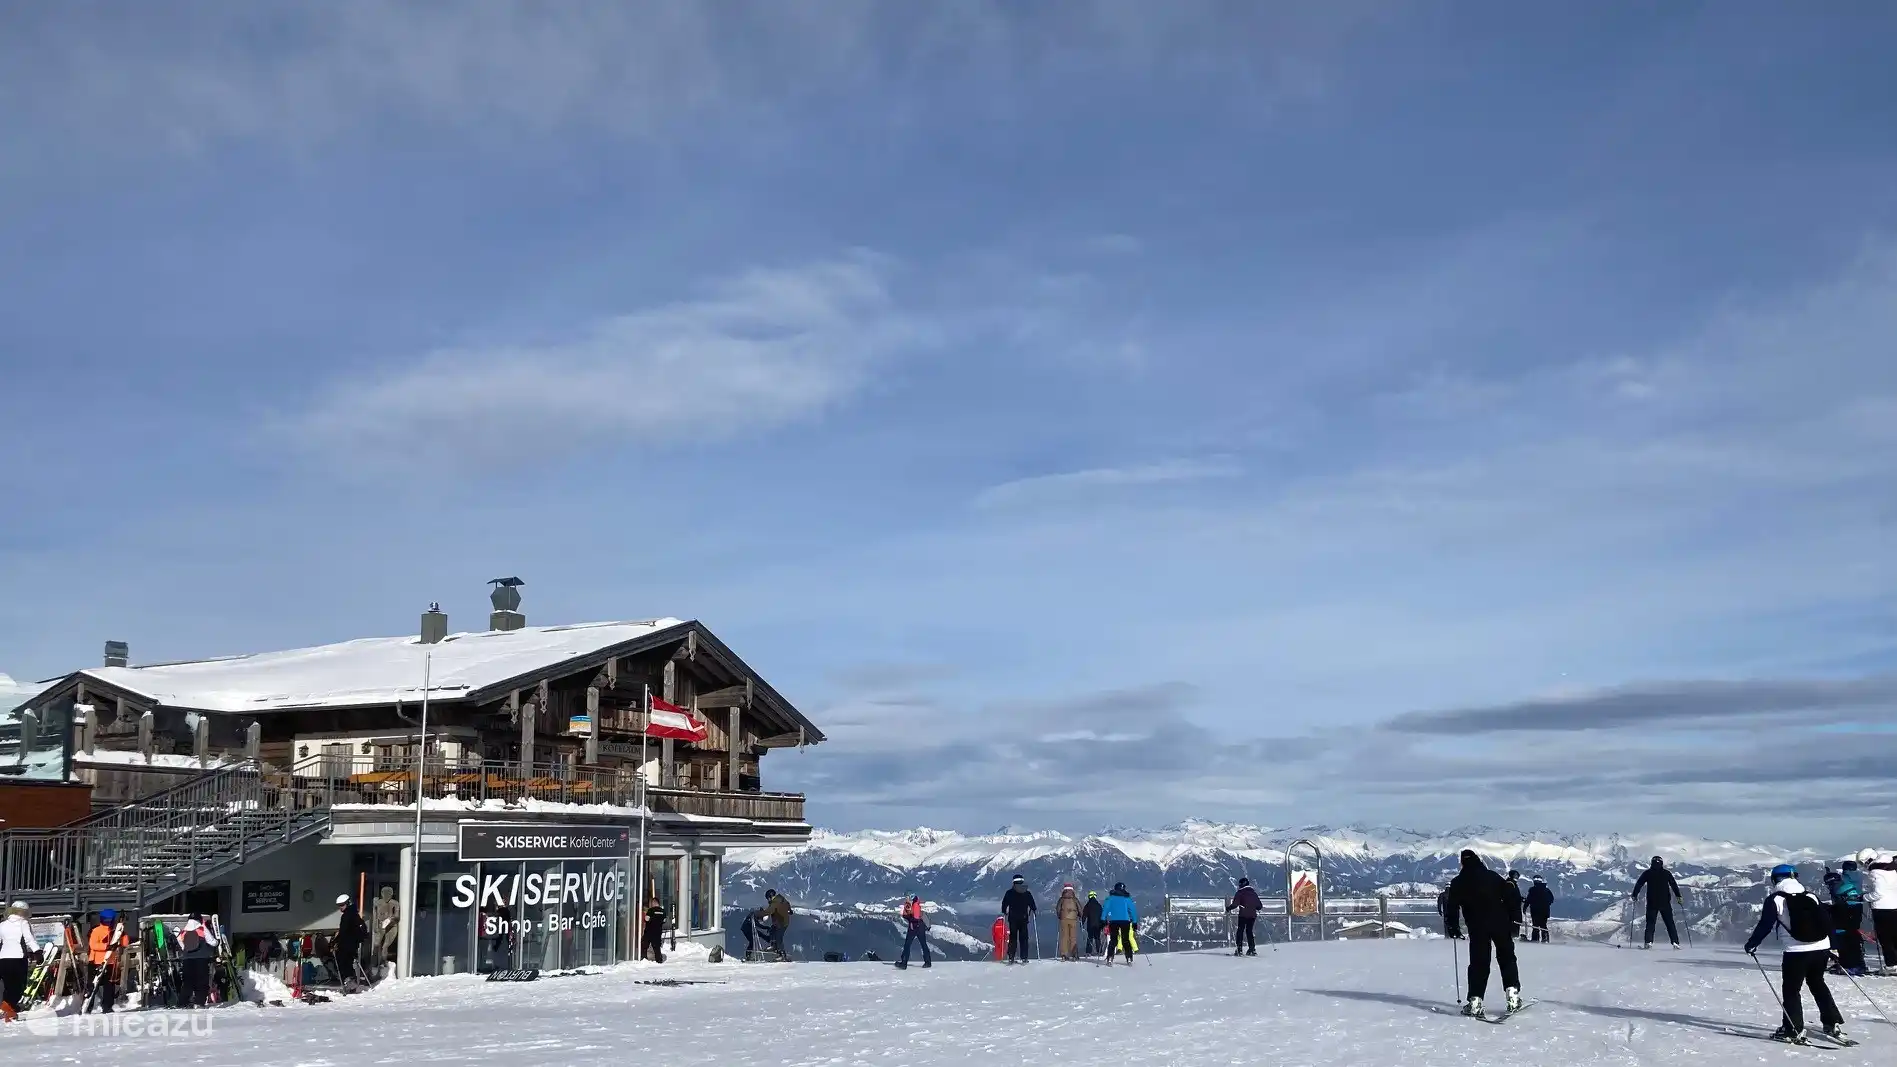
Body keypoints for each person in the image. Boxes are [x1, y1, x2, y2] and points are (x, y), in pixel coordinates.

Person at [1745, 863, 1845, 1045]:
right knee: (1818, 984)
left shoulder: (1775, 899)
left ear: (1775, 879)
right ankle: (1832, 1022)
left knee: (1792, 990)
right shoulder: (1810, 896)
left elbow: (1765, 925)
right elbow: (1827, 922)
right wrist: (1834, 947)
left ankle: (1793, 1029)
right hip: (1821, 948)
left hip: (1796, 952)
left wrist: (1752, 944)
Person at [1442, 849, 1523, 1018]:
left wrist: (1453, 928)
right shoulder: (1492, 876)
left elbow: (1452, 907)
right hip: (1500, 923)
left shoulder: (1458, 882)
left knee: (1479, 962)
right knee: (1507, 957)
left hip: (1477, 926)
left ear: (1462, 863)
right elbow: (1509, 894)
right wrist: (1513, 919)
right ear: (1479, 861)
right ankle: (1513, 995)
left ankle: (1475, 1001)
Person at [1823, 863, 1868, 975]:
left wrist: (1828, 909)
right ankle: (1849, 963)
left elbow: (1840, 906)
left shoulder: (1837, 888)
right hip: (1854, 913)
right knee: (1850, 937)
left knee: (1845, 939)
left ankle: (1853, 965)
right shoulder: (1845, 885)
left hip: (1846, 916)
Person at [1, 900, 41, 1023]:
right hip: (18, 958)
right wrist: (37, 952)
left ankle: (9, 1008)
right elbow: (29, 939)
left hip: (2, 959)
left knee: (8, 986)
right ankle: (9, 1009)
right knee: (19, 986)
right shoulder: (23, 923)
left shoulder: (2, 924)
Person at [1631, 856, 1683, 949]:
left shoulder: (1647, 873)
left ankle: (1648, 942)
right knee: (1670, 923)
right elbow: (1674, 885)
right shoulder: (1666, 873)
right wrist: (1678, 897)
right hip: (1665, 903)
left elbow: (1639, 884)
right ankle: (1675, 942)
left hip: (1652, 903)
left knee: (1650, 923)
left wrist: (1634, 895)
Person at [86, 908, 130, 1013]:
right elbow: (93, 945)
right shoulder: (96, 930)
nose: (108, 922)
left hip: (110, 962)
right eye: (107, 919)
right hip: (96, 962)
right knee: (93, 985)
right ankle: (88, 1005)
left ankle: (107, 1006)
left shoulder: (115, 932)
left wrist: (123, 933)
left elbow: (125, 943)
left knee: (109, 986)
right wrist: (107, 946)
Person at [1865, 850, 1897, 974]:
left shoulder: (1876, 872)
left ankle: (1891, 965)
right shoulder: (1892, 868)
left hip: (1882, 909)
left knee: (1886, 938)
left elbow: (1878, 893)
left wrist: (1865, 897)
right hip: (1895, 906)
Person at [178, 913, 218, 1007]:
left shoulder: (184, 931)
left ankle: (182, 1003)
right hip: (201, 960)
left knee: (187, 982)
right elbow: (213, 942)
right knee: (202, 982)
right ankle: (199, 1002)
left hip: (187, 961)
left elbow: (183, 947)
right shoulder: (202, 929)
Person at [331, 894, 368, 988]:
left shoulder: (347, 916)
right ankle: (351, 981)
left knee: (343, 962)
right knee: (349, 963)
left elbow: (344, 931)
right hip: (353, 944)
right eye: (339, 905)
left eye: (342, 905)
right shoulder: (354, 914)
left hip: (347, 944)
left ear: (348, 903)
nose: (340, 907)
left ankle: (349, 982)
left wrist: (335, 942)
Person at [1001, 875, 1037, 963]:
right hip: (1024, 918)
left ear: (1013, 882)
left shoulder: (1009, 893)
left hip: (1013, 918)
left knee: (1013, 938)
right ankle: (1024, 957)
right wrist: (1033, 910)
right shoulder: (1027, 893)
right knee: (1024, 938)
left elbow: (1004, 904)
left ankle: (1011, 956)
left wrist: (1004, 911)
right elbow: (1032, 904)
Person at [1102, 882, 1139, 965]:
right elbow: (1132, 911)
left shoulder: (1110, 898)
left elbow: (1105, 909)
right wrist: (1134, 922)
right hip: (1125, 921)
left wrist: (1103, 919)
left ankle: (1110, 957)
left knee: (1113, 940)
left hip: (1114, 921)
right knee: (1126, 940)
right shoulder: (1127, 898)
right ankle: (1129, 958)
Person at [750, 888, 792, 960]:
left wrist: (756, 914)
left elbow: (768, 912)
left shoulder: (775, 903)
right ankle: (774, 945)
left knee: (779, 937)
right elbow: (787, 904)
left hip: (781, 923)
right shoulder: (781, 898)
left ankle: (782, 954)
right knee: (772, 930)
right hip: (781, 921)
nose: (768, 900)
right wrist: (789, 910)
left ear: (770, 897)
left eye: (767, 898)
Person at [1226, 877, 1262, 956]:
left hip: (1243, 914)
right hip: (1252, 915)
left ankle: (1239, 949)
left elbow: (1235, 904)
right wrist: (1254, 907)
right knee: (1249, 931)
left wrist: (1228, 908)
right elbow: (1259, 906)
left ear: (1241, 884)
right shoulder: (1253, 893)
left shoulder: (1240, 892)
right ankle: (1252, 949)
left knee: (1240, 931)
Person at [896, 895, 931, 970]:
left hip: (913, 926)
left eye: (907, 896)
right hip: (920, 926)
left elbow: (907, 916)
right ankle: (928, 962)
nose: (906, 898)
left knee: (907, 945)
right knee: (923, 944)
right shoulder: (916, 904)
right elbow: (918, 915)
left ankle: (904, 963)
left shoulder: (911, 904)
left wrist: (906, 906)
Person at [1055, 885, 1082, 961]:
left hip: (1064, 919)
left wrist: (1060, 916)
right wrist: (1080, 915)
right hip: (1073, 919)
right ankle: (1074, 955)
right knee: (1073, 937)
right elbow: (1080, 908)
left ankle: (1064, 955)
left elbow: (1058, 909)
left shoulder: (1061, 899)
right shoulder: (1075, 899)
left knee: (1064, 937)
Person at [1525, 876, 1555, 944]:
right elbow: (1551, 899)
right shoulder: (1546, 890)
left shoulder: (1532, 890)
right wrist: (1546, 904)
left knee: (1535, 926)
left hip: (1535, 911)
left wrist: (1525, 907)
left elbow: (1528, 900)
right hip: (1544, 911)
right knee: (1543, 925)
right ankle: (1545, 939)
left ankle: (1535, 940)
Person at [641, 896, 668, 963]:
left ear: (653, 903)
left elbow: (646, 919)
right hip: (658, 932)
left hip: (649, 931)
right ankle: (659, 960)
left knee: (644, 946)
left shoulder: (651, 910)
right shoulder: (663, 911)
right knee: (657, 948)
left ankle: (644, 959)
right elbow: (664, 920)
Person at [1502, 871, 1526, 941]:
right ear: (1512, 875)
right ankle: (1512, 939)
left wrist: (1520, 899)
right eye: (1515, 875)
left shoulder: (1512, 884)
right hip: (1512, 910)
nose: (1517, 877)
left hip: (1513, 910)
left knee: (1515, 925)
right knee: (1514, 926)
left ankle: (1513, 938)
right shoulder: (1510, 884)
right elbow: (1509, 897)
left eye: (1517, 875)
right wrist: (1517, 901)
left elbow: (1513, 896)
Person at [1082, 891, 1105, 957]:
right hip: (1098, 925)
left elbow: (1084, 915)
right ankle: (1099, 951)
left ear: (1089, 896)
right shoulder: (1099, 905)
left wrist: (1082, 923)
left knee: (1090, 938)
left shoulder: (1088, 905)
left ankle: (1088, 952)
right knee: (1097, 938)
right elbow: (1102, 915)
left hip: (1090, 925)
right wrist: (1103, 924)